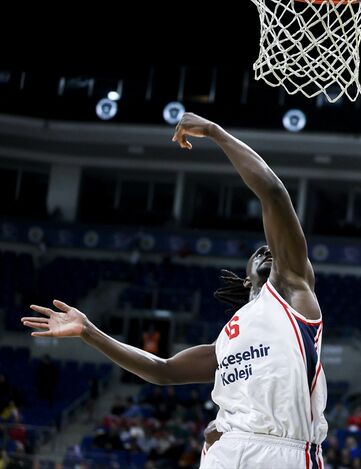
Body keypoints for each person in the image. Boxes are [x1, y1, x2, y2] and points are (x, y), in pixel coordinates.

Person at [22, 113, 327, 468]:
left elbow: (272, 192)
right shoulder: (227, 339)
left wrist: (215, 131)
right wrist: (90, 332)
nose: (266, 250)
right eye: (257, 250)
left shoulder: (292, 289)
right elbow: (162, 370)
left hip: (284, 450)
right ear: (247, 280)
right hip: (226, 451)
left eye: (271, 250)